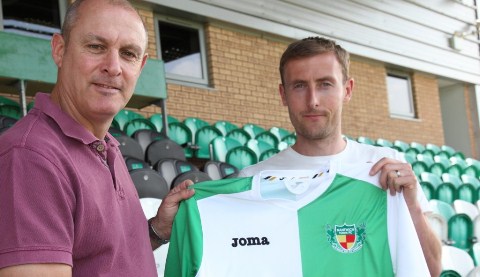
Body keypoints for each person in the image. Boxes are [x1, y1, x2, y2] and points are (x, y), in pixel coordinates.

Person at [0, 0, 193, 276]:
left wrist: (157, 230)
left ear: (141, 66)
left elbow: (100, 258)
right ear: (60, 50)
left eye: (128, 53)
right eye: (96, 47)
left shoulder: (106, 144)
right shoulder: (30, 156)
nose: (113, 67)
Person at [239, 37, 442, 276]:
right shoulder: (253, 181)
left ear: (347, 90)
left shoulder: (387, 166)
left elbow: (433, 269)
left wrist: (412, 207)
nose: (312, 101)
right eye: (299, 86)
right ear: (283, 95)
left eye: (325, 84)